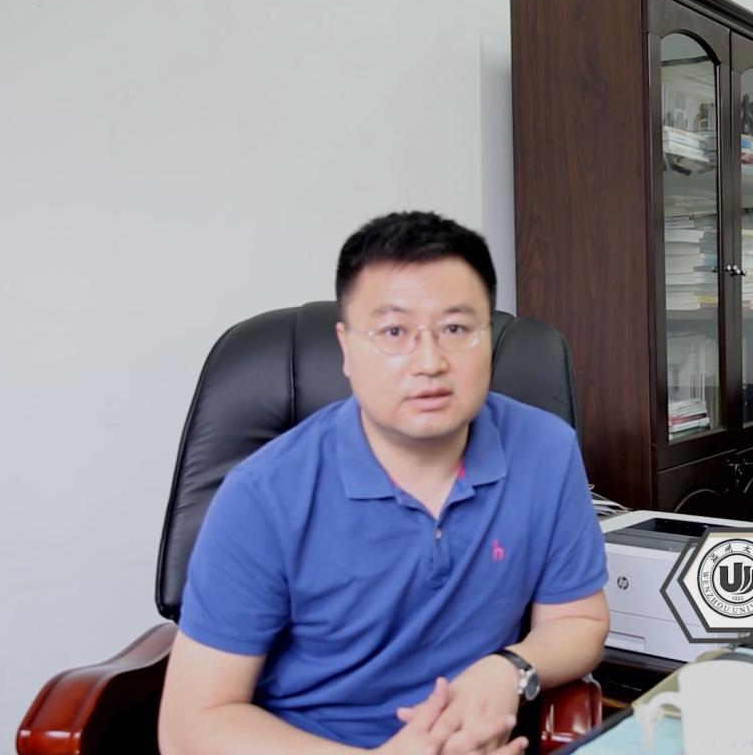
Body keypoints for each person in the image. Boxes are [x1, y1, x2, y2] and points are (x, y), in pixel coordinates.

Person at [159, 211, 610, 754]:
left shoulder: (545, 448)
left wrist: (510, 668)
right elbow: (190, 725)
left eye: (456, 329)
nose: (430, 362)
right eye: (394, 332)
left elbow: (578, 619)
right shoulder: (263, 494)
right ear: (346, 348)